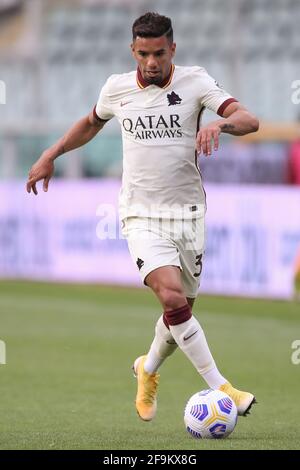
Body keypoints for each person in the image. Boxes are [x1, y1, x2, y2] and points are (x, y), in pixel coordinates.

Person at [27, 12, 259, 422]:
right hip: (140, 214)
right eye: (143, 54)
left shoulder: (195, 81)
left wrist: (220, 125)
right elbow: (89, 123)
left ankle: (146, 369)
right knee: (170, 296)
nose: (151, 62)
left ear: (173, 49)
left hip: (188, 215)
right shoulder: (117, 88)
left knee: (179, 311)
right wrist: (51, 154)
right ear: (133, 51)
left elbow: (249, 119)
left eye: (159, 53)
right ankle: (222, 387)